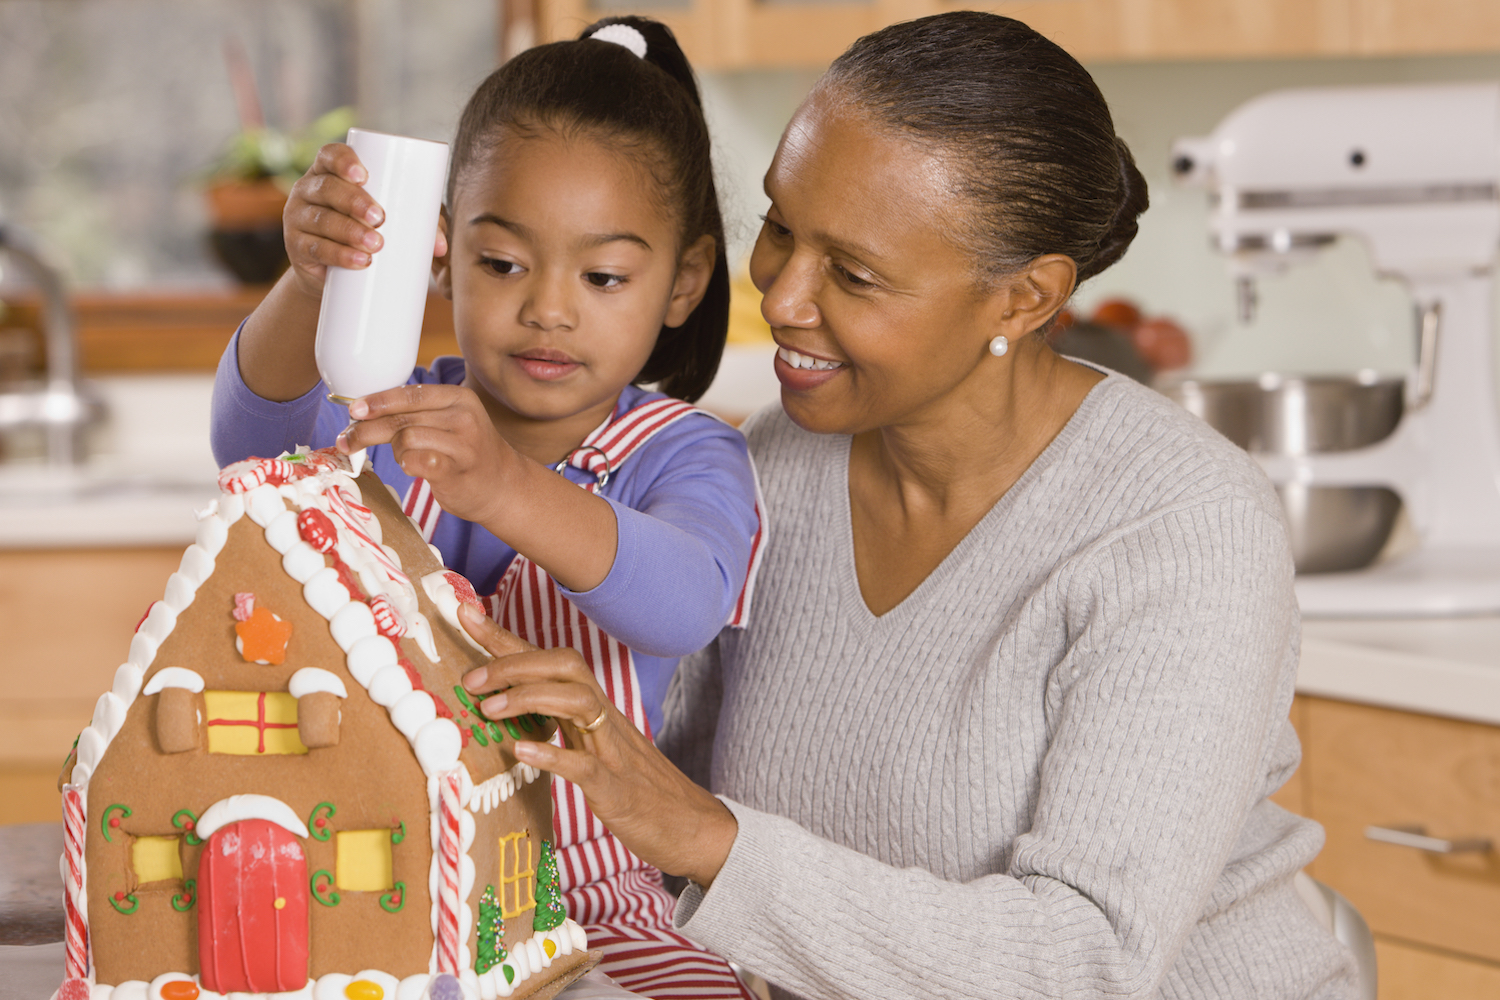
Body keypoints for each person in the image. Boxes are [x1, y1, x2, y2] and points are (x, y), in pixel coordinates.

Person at [452, 11, 1360, 1000]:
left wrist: (705, 836)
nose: (785, 298)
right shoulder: (776, 465)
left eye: (854, 273)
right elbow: (644, 812)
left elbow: (1085, 959)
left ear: (1024, 298)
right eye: (781, 228)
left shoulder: (1179, 527)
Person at [209, 16, 763, 999]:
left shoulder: (685, 452)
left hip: (597, 899)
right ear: (442, 253)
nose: (548, 307)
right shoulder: (389, 409)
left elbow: (684, 603)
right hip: (378, 881)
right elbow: (253, 448)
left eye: (602, 277)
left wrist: (505, 485)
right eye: (503, 263)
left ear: (682, 282)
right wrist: (308, 286)